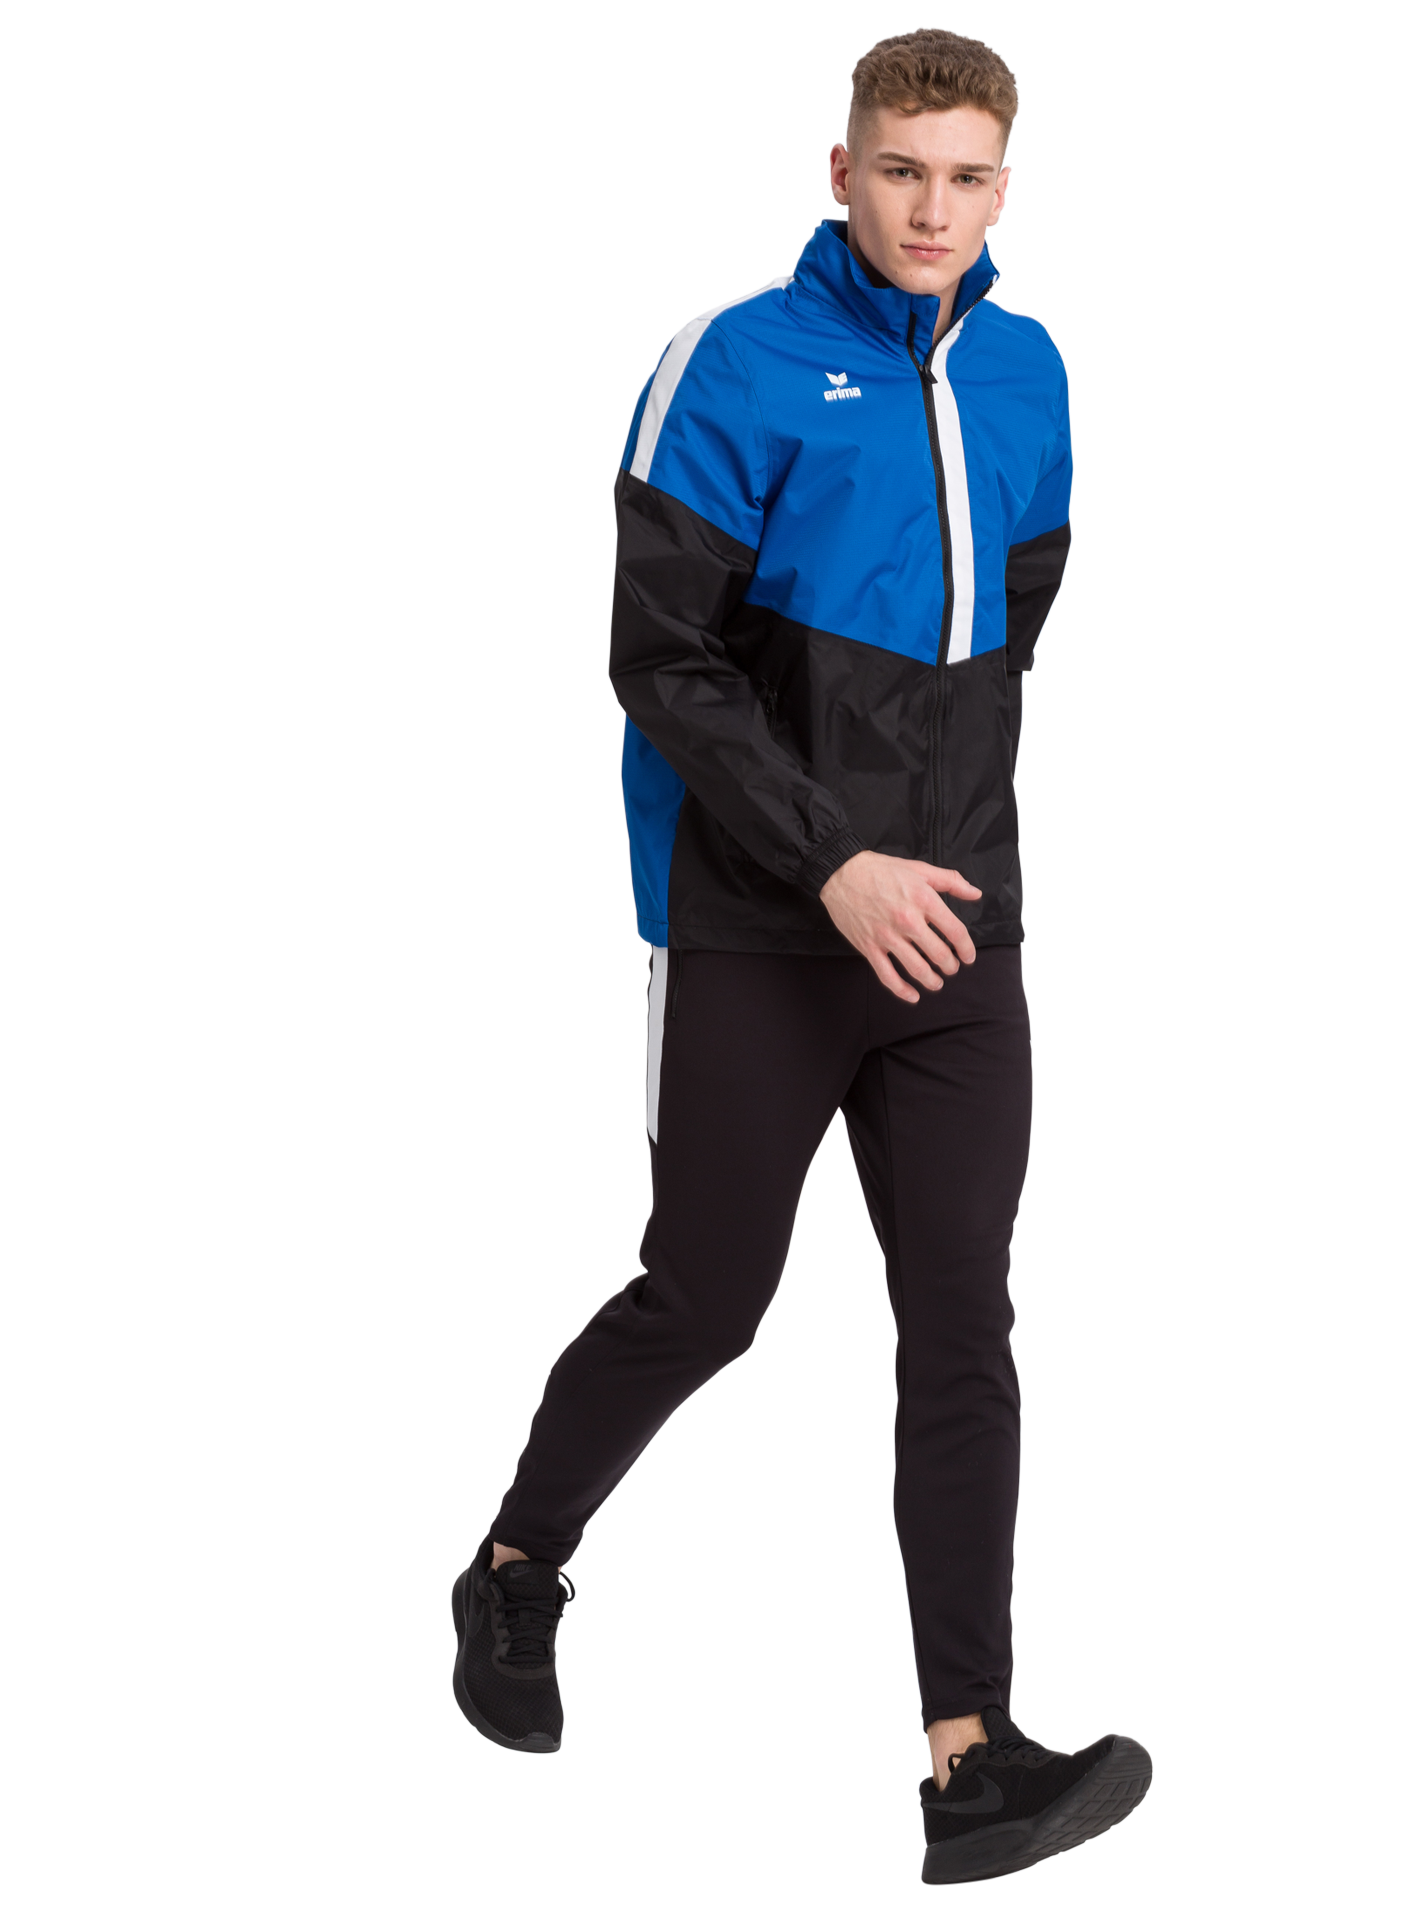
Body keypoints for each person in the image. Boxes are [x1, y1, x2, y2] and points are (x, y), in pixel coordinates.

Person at [451, 29, 1152, 1885]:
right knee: (708, 1297)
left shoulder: (1028, 369)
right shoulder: (735, 359)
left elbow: (1008, 628)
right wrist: (833, 856)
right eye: (903, 170)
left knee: (965, 1323)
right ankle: (515, 1565)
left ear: (1004, 188)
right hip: (762, 919)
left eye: (969, 177)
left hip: (957, 928)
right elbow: (660, 657)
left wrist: (939, 866)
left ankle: (969, 1762)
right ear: (842, 171)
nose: (934, 208)